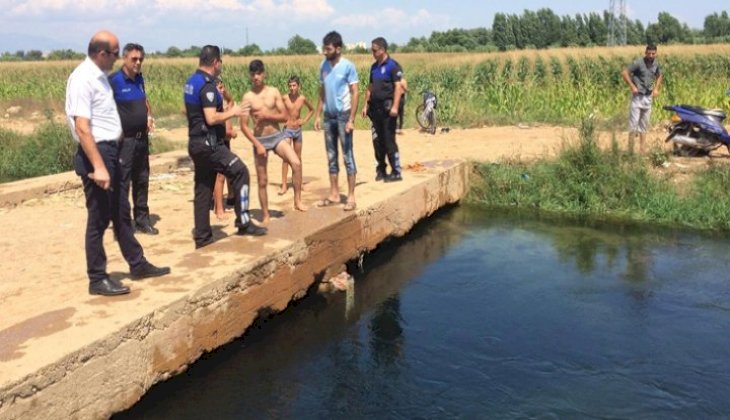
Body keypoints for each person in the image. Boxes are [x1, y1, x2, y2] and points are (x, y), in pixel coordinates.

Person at [65, 30, 170, 296]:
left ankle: (137, 263)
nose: (117, 59)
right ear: (103, 53)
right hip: (97, 155)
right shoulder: (82, 78)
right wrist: (98, 165)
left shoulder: (99, 78)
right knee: (99, 219)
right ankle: (97, 278)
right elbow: (82, 126)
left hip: (113, 151)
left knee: (122, 214)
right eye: (115, 53)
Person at [184, 45, 267, 249]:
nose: (221, 65)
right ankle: (244, 222)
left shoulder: (191, 82)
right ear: (215, 63)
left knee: (203, 188)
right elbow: (211, 118)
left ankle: (202, 237)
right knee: (241, 172)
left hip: (195, 143)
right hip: (210, 145)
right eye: (220, 62)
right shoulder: (207, 85)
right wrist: (234, 111)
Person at [240, 59, 307, 225]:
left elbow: (284, 116)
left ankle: (297, 201)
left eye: (258, 73)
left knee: (296, 163)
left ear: (264, 74)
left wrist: (267, 116)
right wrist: (257, 144)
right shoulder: (247, 98)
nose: (256, 77)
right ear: (250, 75)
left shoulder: (273, 92)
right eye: (253, 74)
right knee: (262, 180)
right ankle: (265, 214)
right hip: (260, 140)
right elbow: (243, 126)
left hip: (276, 137)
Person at [108, 42, 158, 235]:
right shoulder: (114, 81)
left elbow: (144, 101)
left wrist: (148, 116)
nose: (138, 63)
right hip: (124, 142)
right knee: (123, 183)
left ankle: (142, 220)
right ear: (124, 58)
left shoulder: (139, 79)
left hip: (141, 140)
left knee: (142, 179)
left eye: (140, 59)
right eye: (134, 59)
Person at [313, 31, 360, 211]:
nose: (325, 52)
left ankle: (351, 196)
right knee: (331, 156)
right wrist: (318, 114)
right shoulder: (323, 66)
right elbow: (323, 91)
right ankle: (334, 194)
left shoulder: (348, 66)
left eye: (328, 49)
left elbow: (355, 91)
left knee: (347, 155)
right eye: (324, 48)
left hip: (343, 117)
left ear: (338, 49)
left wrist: (351, 119)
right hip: (328, 117)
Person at [362, 37, 404, 182]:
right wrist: (365, 105)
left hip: (388, 109)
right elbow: (370, 87)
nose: (372, 52)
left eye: (374, 50)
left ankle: (396, 171)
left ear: (382, 50)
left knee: (388, 140)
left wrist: (395, 107)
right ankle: (381, 170)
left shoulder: (393, 66)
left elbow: (398, 87)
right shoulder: (374, 67)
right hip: (375, 110)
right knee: (377, 141)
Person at [621, 44, 663, 153]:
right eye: (649, 53)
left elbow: (659, 75)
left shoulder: (656, 64)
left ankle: (642, 151)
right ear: (645, 53)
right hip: (637, 97)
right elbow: (625, 73)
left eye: (653, 53)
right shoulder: (639, 63)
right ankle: (630, 151)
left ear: (656, 54)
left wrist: (656, 88)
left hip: (648, 97)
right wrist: (632, 86)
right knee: (633, 125)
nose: (651, 55)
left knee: (644, 125)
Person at [279, 75, 314, 196]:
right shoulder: (284, 98)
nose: (292, 88)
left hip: (298, 130)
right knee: (286, 157)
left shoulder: (302, 98)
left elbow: (311, 110)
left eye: (294, 85)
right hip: (287, 130)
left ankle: (300, 183)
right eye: (290, 86)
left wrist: (304, 120)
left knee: (298, 159)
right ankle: (284, 184)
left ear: (298, 86)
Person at [212, 77, 238, 221]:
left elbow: (231, 101)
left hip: (226, 142)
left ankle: (230, 196)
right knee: (220, 175)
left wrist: (224, 91)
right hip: (219, 142)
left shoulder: (224, 105)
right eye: (219, 88)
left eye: (222, 88)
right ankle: (219, 209)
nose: (221, 91)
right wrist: (231, 133)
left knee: (228, 170)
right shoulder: (214, 109)